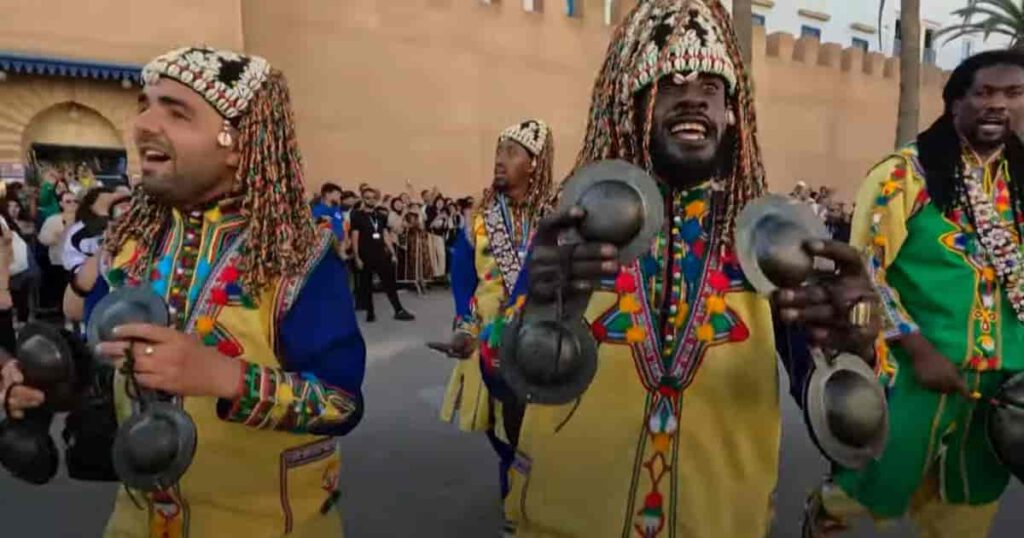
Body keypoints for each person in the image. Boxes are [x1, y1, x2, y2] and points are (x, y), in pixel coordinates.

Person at [477, 2, 881, 536]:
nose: (692, 96)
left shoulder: (772, 245)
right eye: (668, 84)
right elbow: (500, 379)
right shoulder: (576, 228)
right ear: (633, 105)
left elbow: (842, 414)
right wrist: (534, 316)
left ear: (733, 113)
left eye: (712, 88)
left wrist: (854, 344)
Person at [2, 46, 366, 538]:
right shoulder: (127, 246)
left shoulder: (300, 254)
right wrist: (47, 389)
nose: (144, 124)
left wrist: (226, 377)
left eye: (175, 111)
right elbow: (103, 377)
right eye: (145, 105)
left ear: (238, 142)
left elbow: (341, 404)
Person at [803, 49, 1024, 538]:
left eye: (1014, 94)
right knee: (871, 484)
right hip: (914, 369)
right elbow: (864, 271)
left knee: (971, 500)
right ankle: (824, 514)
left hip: (1002, 383)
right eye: (984, 93)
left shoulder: (1019, 180)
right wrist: (920, 350)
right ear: (954, 103)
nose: (998, 105)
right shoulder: (905, 174)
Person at [439, 119, 554, 502]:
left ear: (534, 163)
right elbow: (462, 279)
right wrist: (465, 325)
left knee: (539, 433)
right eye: (498, 152)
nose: (500, 161)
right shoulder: (481, 219)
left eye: (511, 152)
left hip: (539, 341)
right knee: (500, 432)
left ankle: (532, 500)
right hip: (489, 340)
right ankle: (512, 501)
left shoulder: (555, 217)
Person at [351, 186, 414, 322]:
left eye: (373, 198)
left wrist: (392, 253)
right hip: (364, 254)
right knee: (366, 285)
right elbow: (355, 236)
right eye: (367, 197)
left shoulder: (380, 216)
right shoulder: (357, 216)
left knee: (389, 283)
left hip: (380, 253)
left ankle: (399, 310)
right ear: (363, 198)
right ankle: (370, 312)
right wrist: (356, 256)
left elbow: (385, 235)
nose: (371, 200)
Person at [37, 190, 78, 316]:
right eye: (68, 201)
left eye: (75, 201)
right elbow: (43, 239)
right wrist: (58, 236)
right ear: (61, 203)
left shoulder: (83, 220)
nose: (72, 204)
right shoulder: (53, 220)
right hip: (58, 262)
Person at [426, 195, 450, 279]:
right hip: (431, 234)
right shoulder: (431, 212)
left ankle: (441, 273)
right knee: (432, 255)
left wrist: (446, 219)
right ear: (435, 203)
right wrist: (438, 217)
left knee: (442, 254)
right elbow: (430, 225)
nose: (440, 204)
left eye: (441, 203)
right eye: (438, 202)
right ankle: (434, 274)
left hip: (440, 235)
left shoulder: (445, 212)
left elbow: (446, 227)